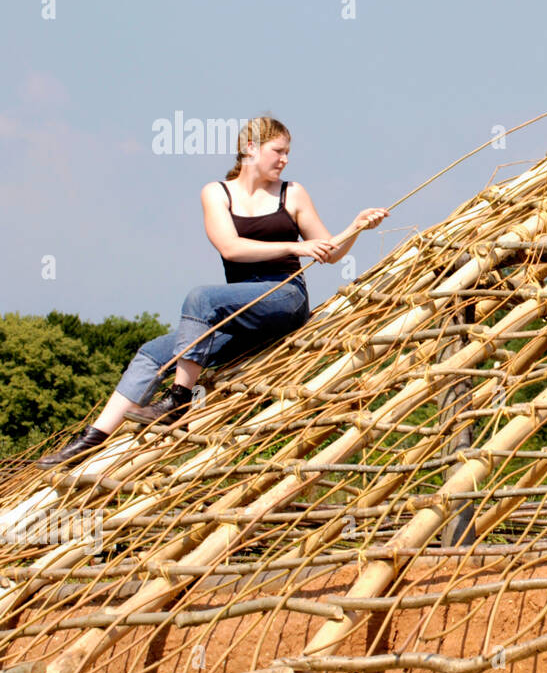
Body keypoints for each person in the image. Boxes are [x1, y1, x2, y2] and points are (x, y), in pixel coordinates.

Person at [37, 116, 388, 469]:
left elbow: (329, 251)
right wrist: (294, 247)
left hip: (284, 299)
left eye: (287, 153)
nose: (285, 160)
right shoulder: (216, 193)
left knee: (201, 299)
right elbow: (231, 248)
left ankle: (179, 400)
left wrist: (355, 227)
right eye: (278, 151)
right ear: (251, 148)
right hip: (239, 312)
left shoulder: (292, 192)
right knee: (153, 353)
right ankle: (92, 439)